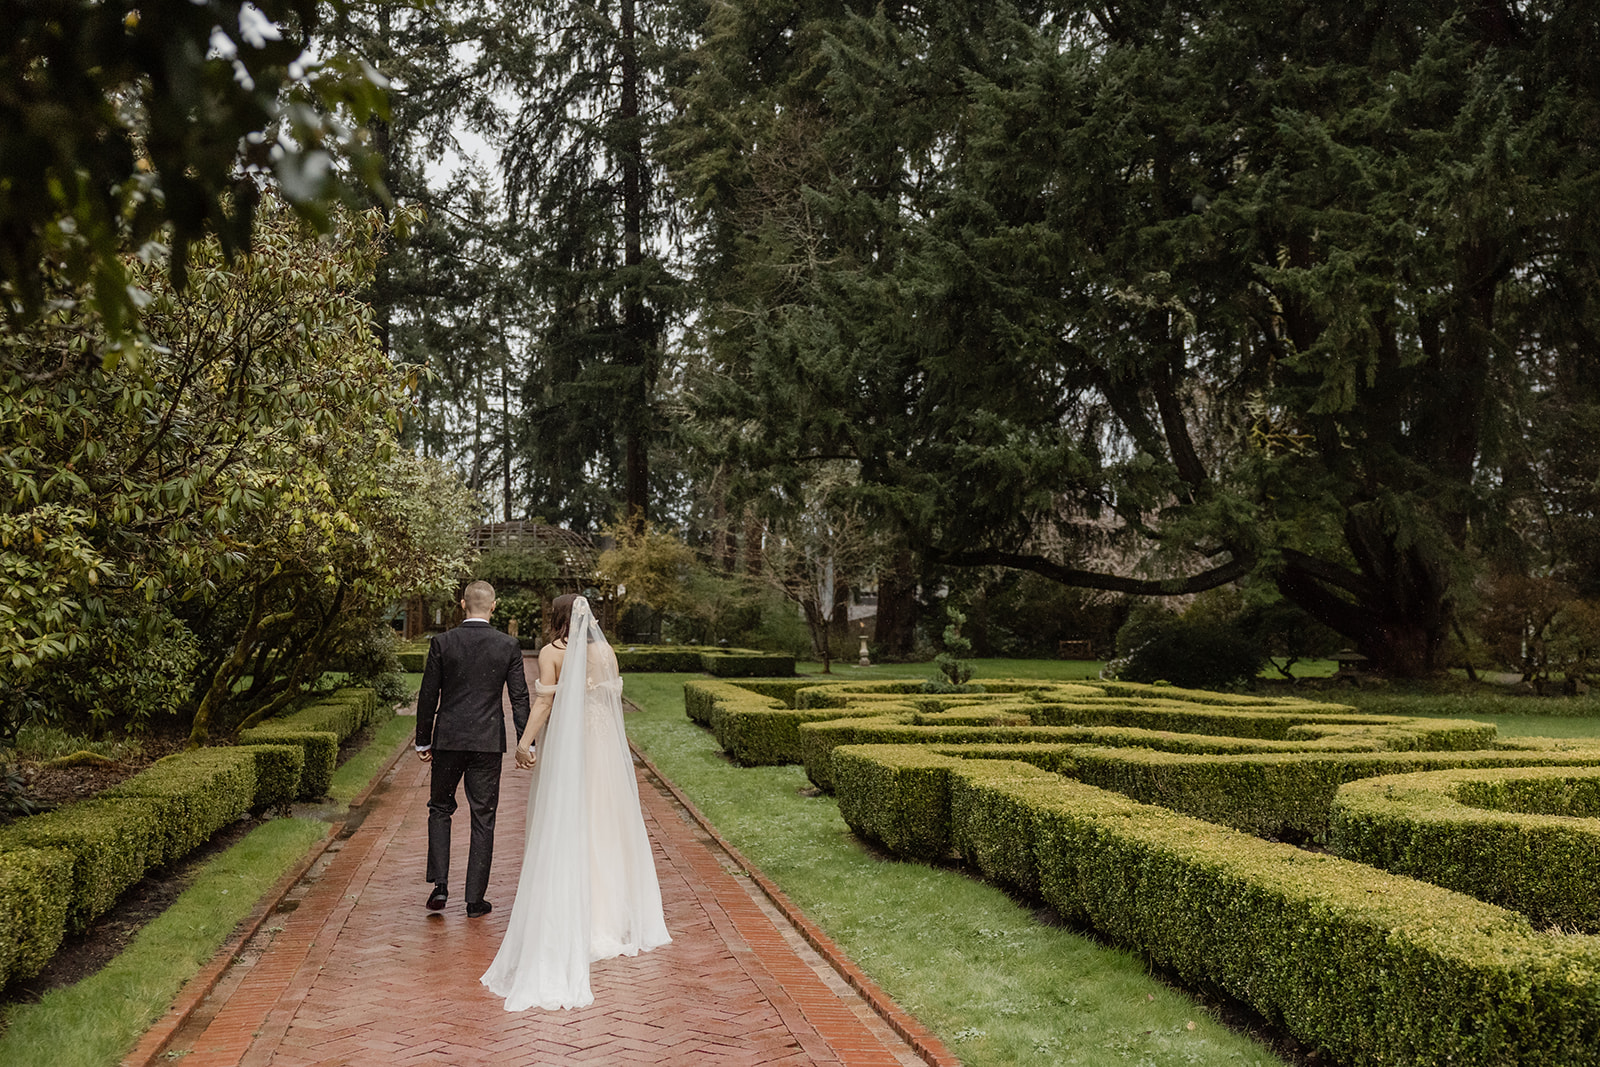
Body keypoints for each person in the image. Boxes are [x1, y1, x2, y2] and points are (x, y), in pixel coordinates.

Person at [481, 593, 671, 1010]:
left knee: (567, 821)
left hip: (571, 750)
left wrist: (525, 743)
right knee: (605, 821)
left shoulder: (552, 652)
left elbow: (546, 702)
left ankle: (576, 913)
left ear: (557, 617)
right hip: (603, 747)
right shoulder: (605, 651)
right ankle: (611, 915)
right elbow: (611, 700)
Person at [414, 579, 531, 918]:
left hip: (448, 739)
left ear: (462, 604)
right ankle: (474, 899)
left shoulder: (442, 642)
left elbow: (428, 694)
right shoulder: (508, 645)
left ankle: (439, 884)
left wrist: (424, 738)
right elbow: (519, 697)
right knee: (483, 817)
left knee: (439, 807)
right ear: (493, 606)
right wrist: (526, 741)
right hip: (486, 742)